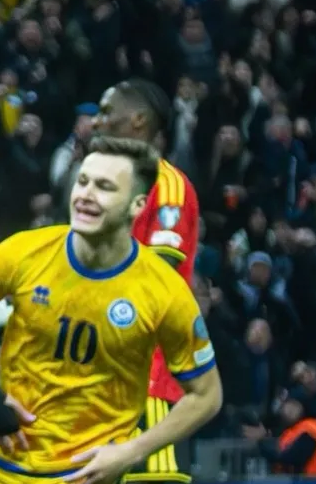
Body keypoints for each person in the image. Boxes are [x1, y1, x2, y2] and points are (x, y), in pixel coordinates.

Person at [0, 136, 223, 484]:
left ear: (137, 205)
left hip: (89, 475)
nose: (86, 194)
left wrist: (132, 451)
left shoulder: (164, 291)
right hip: (5, 468)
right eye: (83, 181)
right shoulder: (25, 252)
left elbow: (207, 395)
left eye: (104, 187)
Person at [93, 79, 201, 484]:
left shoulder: (166, 185)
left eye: (107, 111)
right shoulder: (112, 188)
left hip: (150, 377)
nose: (97, 121)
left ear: (138, 120)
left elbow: (158, 276)